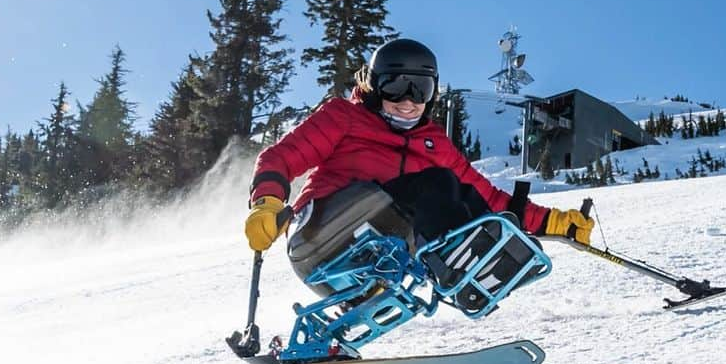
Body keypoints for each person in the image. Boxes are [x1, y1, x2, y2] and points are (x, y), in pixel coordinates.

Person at [244, 38, 593, 292]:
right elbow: (280, 157)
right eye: (396, 87)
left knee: (465, 195)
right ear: (374, 85)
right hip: (321, 237)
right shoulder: (344, 117)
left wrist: (556, 222)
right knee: (436, 184)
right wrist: (267, 203)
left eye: (420, 89)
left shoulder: (433, 141)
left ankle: (485, 268)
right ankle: (459, 265)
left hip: (377, 257)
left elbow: (490, 198)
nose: (408, 102)